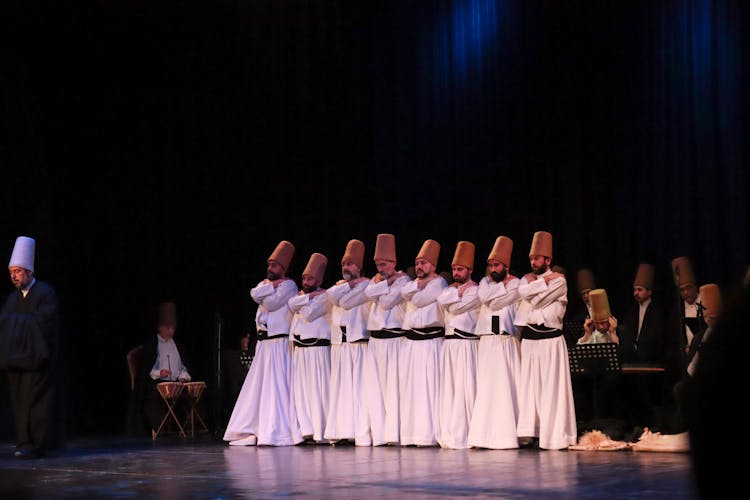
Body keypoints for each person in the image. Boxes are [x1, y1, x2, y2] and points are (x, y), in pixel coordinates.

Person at [223, 240, 303, 446]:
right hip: (264, 344)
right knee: (260, 386)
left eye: (274, 265)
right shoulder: (264, 284)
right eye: (269, 265)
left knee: (278, 386)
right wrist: (269, 288)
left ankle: (277, 429)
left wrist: (269, 290)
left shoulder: (290, 285)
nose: (270, 269)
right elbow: (254, 294)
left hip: (279, 343)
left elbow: (272, 303)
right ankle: (255, 426)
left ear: (283, 268)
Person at [0, 236, 64, 458]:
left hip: (38, 360)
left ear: (29, 271)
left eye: (17, 271)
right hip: (17, 360)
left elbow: (44, 323)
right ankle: (23, 442)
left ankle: (38, 444)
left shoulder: (45, 293)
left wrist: (15, 322)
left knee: (37, 402)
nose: (14, 276)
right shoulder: (11, 299)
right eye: (11, 272)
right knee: (19, 402)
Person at [514, 230, 577, 450]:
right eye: (531, 258)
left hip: (550, 340)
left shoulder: (560, 281)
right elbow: (523, 293)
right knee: (530, 387)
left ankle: (554, 435)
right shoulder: (528, 280)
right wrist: (538, 284)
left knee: (551, 388)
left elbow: (539, 301)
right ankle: (531, 432)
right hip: (530, 341)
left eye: (537, 258)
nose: (533, 262)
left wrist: (536, 286)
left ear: (547, 260)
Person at [466, 236, 522, 449]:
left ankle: (509, 435)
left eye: (496, 265)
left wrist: (498, 294)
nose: (492, 269)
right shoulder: (483, 282)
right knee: (487, 389)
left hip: (505, 340)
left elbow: (500, 300)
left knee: (506, 388)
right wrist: (500, 291)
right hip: (487, 342)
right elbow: (486, 299)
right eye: (490, 265)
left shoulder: (516, 283)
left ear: (506, 266)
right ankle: (484, 435)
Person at [363, 233, 410, 446]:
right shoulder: (376, 280)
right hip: (375, 341)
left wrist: (383, 286)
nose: (380, 268)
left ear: (393, 263)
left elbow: (388, 301)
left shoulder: (404, 280)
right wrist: (384, 283)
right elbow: (368, 294)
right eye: (377, 265)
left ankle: (395, 434)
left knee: (393, 389)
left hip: (394, 340)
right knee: (376, 389)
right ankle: (379, 434)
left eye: (384, 264)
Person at [399, 239, 447, 446]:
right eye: (417, 263)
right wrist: (418, 286)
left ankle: (429, 436)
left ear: (433, 266)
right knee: (412, 390)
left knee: (430, 390)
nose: (419, 267)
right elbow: (404, 292)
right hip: (411, 342)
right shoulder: (411, 284)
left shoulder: (440, 283)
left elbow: (419, 299)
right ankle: (412, 435)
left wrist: (417, 289)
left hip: (431, 341)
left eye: (424, 263)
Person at [325, 240, 373, 446]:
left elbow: (345, 302)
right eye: (344, 264)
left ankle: (359, 432)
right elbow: (331, 296)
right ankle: (341, 430)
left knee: (359, 389)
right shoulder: (338, 286)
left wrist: (347, 288)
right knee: (341, 389)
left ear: (359, 267)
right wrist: (346, 287)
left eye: (350, 264)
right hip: (340, 344)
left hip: (358, 342)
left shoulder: (368, 285)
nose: (346, 268)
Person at [436, 241, 480, 449]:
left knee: (465, 388)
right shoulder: (450, 290)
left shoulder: (476, 290)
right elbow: (442, 302)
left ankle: (468, 432)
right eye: (454, 269)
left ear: (469, 270)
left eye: (460, 269)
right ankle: (451, 432)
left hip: (465, 343)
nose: (456, 273)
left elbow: (463, 306)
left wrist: (455, 297)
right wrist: (456, 294)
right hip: (449, 344)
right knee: (450, 389)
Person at [288, 253, 331, 444]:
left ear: (319, 280)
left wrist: (303, 300)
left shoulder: (326, 297)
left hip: (318, 350)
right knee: (302, 391)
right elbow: (291, 304)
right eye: (304, 278)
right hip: (301, 350)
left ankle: (321, 431)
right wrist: (307, 297)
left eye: (310, 278)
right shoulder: (306, 296)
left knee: (319, 391)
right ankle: (306, 430)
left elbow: (309, 315)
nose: (306, 282)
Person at [619, 262, 667, 431]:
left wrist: (639, 350)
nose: (636, 293)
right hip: (634, 358)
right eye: (635, 290)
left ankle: (651, 424)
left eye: (640, 290)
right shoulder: (631, 310)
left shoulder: (658, 310)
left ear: (649, 291)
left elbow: (655, 336)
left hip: (651, 359)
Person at [134, 301, 192, 438]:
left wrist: (183, 375)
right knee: (153, 396)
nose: (171, 331)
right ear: (160, 327)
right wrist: (160, 373)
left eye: (173, 328)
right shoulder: (152, 345)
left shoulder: (178, 346)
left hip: (176, 384)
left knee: (191, 394)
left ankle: (185, 428)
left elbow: (183, 366)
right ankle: (158, 428)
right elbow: (146, 370)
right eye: (168, 328)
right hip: (157, 383)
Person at [572, 289, 626, 428]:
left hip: (615, 377)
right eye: (598, 323)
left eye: (604, 323)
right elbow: (580, 351)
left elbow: (623, 352)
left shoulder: (618, 332)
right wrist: (587, 333)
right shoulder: (593, 334)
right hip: (594, 377)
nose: (602, 326)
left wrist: (612, 332)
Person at [672, 283, 719, 434]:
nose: (709, 320)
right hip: (701, 379)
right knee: (682, 388)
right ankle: (683, 431)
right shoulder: (701, 337)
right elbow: (691, 367)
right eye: (707, 317)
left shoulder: (727, 333)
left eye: (713, 317)